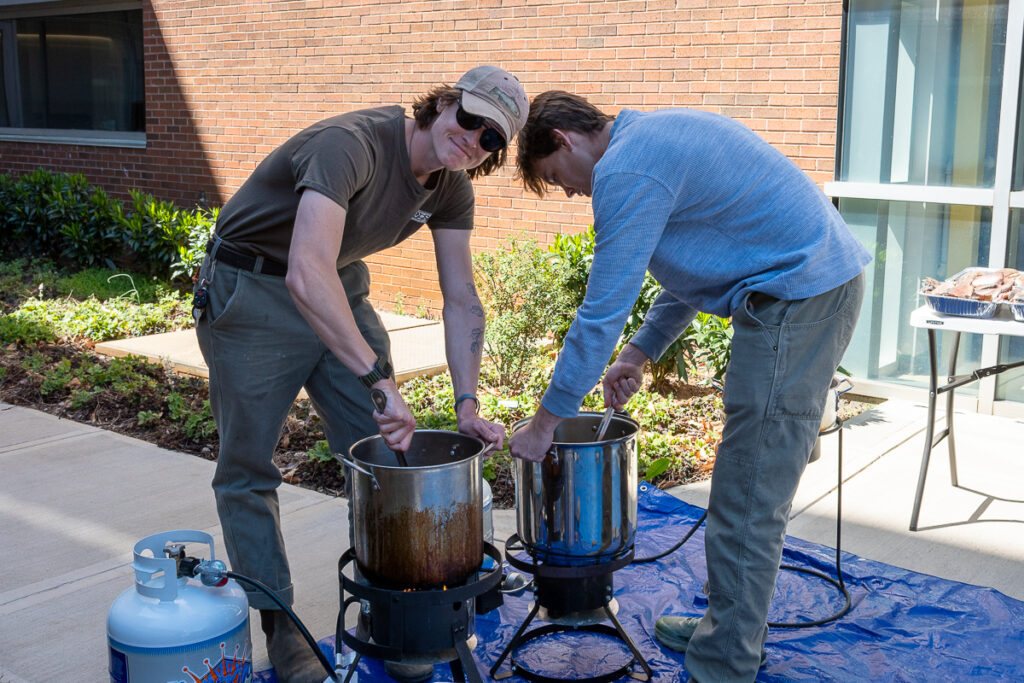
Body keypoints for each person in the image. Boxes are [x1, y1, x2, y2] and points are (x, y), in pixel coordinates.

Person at [509, 90, 870, 683]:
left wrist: (546, 423)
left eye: (557, 178)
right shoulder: (647, 142)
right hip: (798, 291)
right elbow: (694, 268)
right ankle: (725, 628)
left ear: (563, 140)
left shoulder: (626, 169)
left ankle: (723, 664)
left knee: (747, 496)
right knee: (751, 479)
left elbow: (600, 311)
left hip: (799, 298)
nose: (572, 193)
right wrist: (641, 351)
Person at [193, 66, 527, 682]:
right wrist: (378, 376)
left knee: (387, 458)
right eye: (470, 118)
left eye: (491, 140)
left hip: (338, 284)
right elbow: (303, 271)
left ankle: (393, 607)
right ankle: (282, 628)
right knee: (247, 471)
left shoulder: (450, 186)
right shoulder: (353, 145)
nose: (472, 138)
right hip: (255, 288)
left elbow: (461, 299)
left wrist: (468, 403)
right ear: (444, 101)